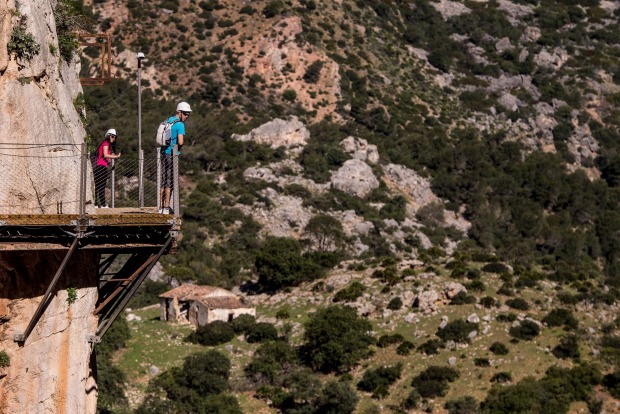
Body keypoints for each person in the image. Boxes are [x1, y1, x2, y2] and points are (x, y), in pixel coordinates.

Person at [160, 101, 191, 214]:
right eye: (186, 113)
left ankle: (161, 207)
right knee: (170, 181)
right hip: (172, 155)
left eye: (188, 114)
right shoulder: (180, 124)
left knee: (163, 180)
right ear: (180, 112)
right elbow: (181, 141)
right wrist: (177, 149)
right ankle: (167, 207)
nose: (187, 116)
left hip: (163, 153)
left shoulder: (168, 121)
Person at [94, 129, 121, 208]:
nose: (114, 139)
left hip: (99, 166)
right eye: (112, 136)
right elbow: (105, 155)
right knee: (102, 186)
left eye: (115, 137)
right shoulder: (106, 144)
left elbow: (104, 156)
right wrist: (116, 156)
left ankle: (96, 204)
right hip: (101, 167)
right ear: (108, 136)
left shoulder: (105, 144)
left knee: (98, 186)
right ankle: (103, 204)